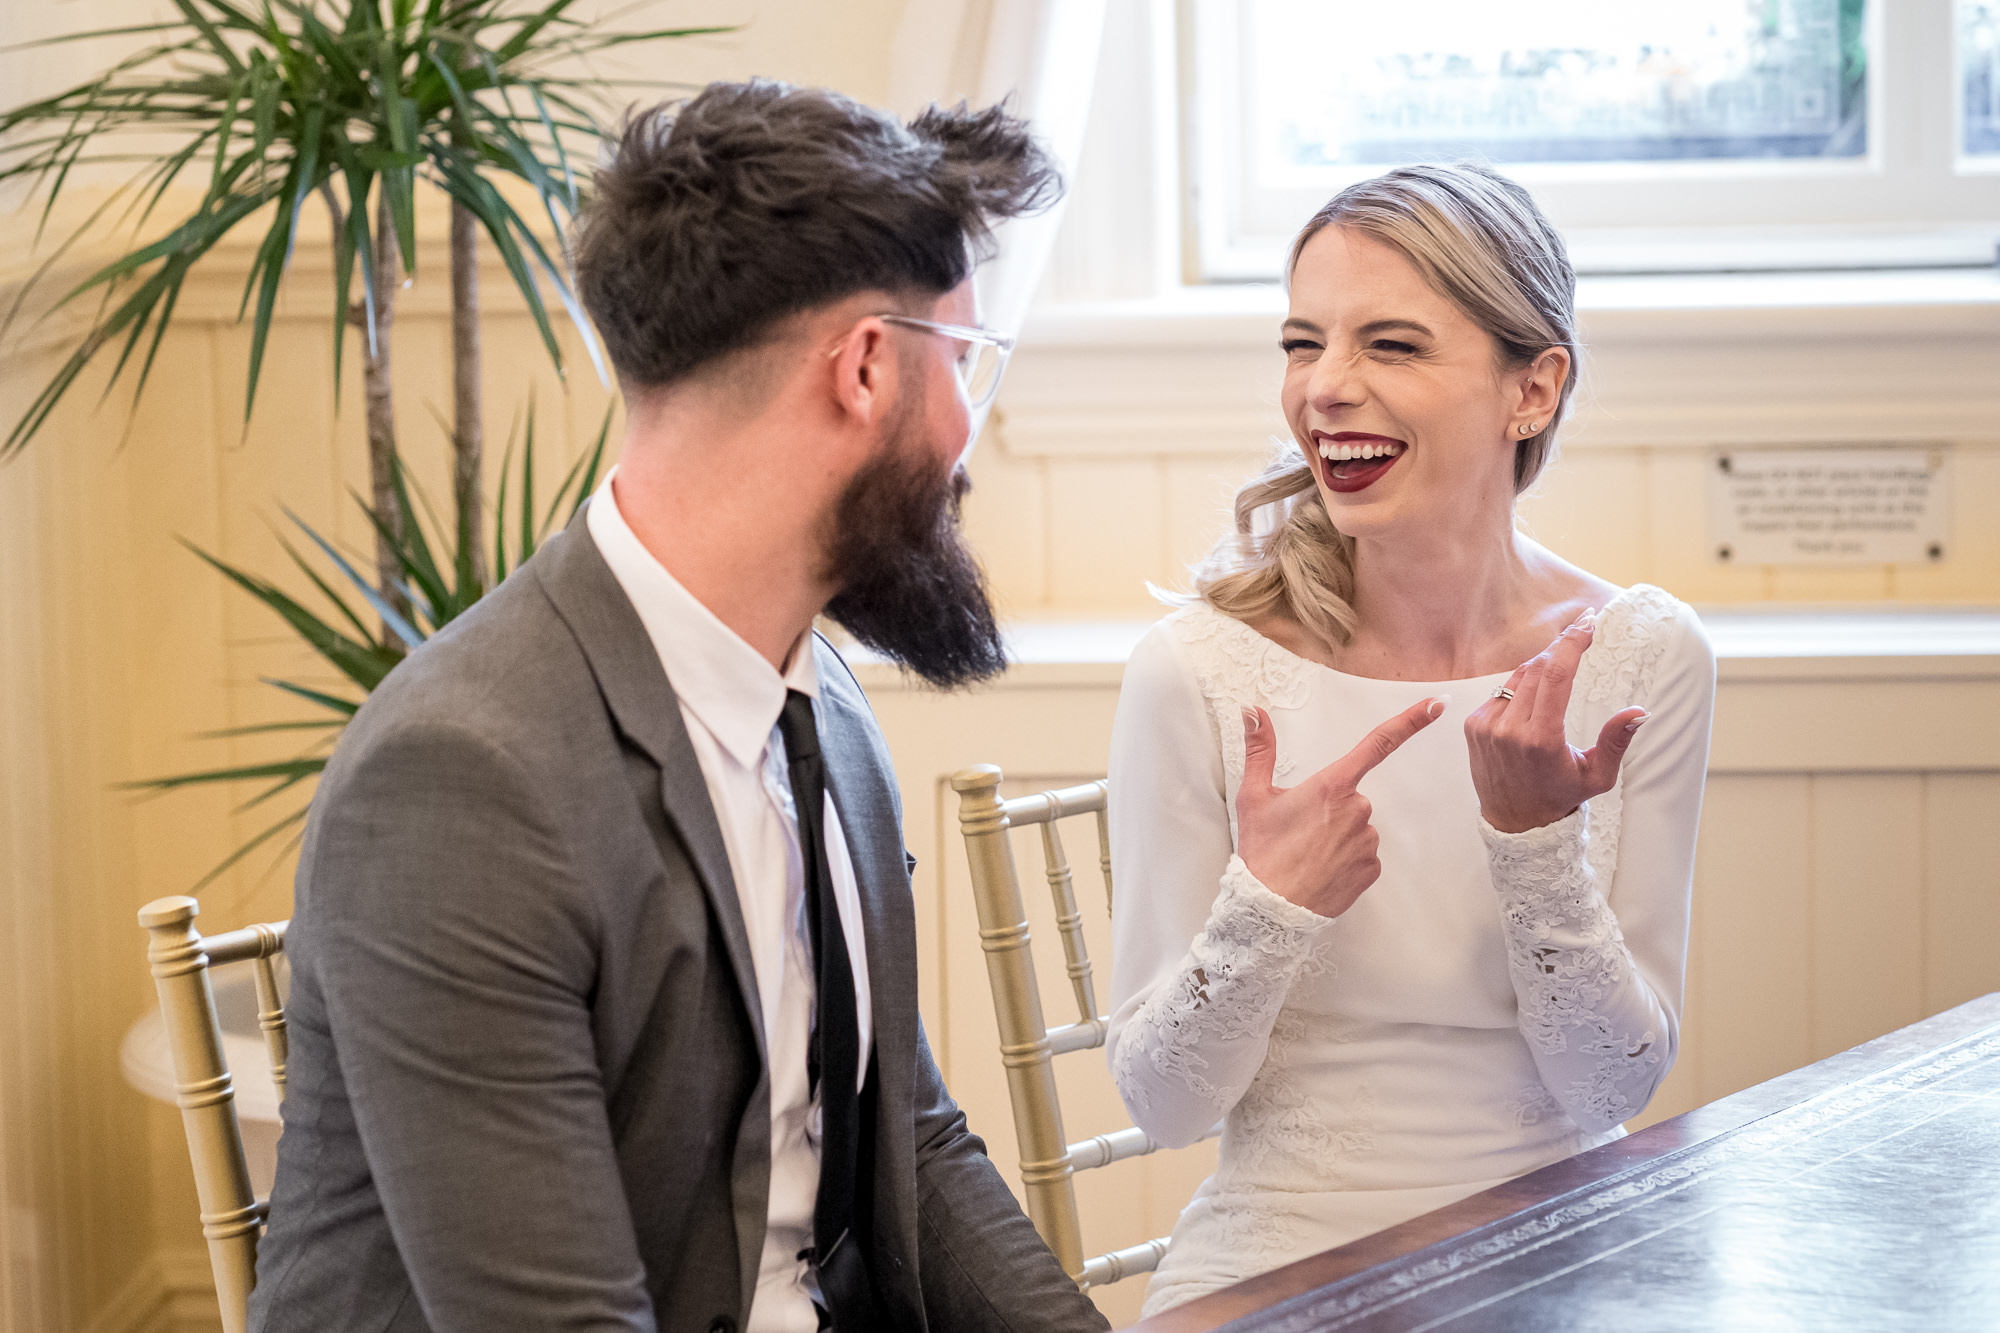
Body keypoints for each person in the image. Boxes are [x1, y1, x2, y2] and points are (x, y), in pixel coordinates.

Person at [249, 81, 1111, 1333]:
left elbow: (907, 1144)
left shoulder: (824, 707)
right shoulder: (462, 778)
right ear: (866, 366)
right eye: (963, 361)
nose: (967, 436)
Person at [1104, 162, 1716, 1316]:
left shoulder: (1641, 657)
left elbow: (1610, 1082)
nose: (1324, 388)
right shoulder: (1193, 670)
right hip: (1275, 1253)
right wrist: (1267, 905)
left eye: (1388, 345)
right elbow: (1163, 1104)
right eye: (1301, 343)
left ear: (1530, 389)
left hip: (1568, 1246)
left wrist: (1535, 843)